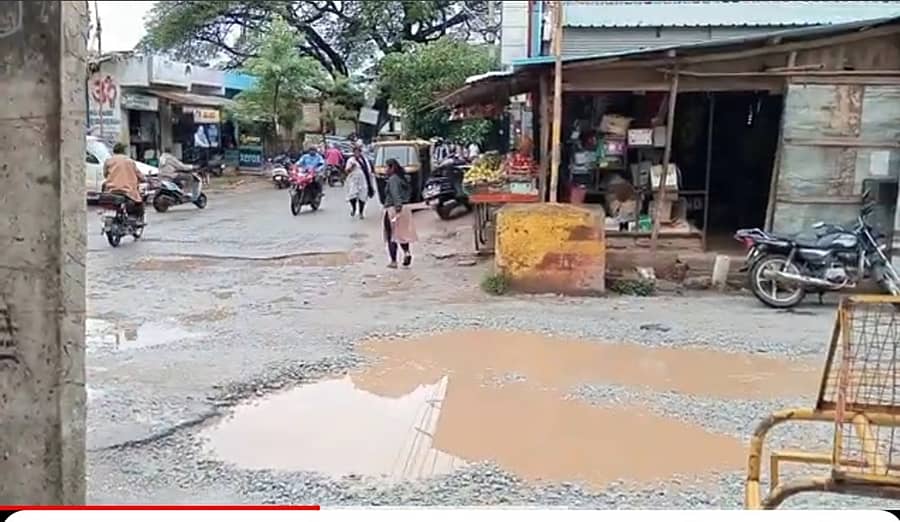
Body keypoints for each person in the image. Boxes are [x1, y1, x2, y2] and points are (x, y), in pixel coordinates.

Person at [382, 158, 417, 269]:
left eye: (387, 167)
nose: (385, 169)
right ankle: (407, 253)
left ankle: (393, 261)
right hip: (406, 208)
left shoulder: (393, 180)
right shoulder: (404, 178)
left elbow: (395, 193)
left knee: (391, 236)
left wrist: (397, 208)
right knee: (402, 234)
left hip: (394, 209)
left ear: (392, 168)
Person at [103, 142, 146, 222]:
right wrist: (143, 179)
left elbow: (105, 174)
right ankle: (136, 220)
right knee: (138, 202)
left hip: (111, 189)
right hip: (127, 190)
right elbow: (139, 174)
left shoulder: (108, 161)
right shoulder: (129, 161)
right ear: (124, 151)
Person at [345, 145, 375, 219]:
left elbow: (369, 170)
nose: (357, 153)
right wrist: (352, 167)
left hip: (363, 180)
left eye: (358, 152)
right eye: (355, 152)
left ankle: (361, 212)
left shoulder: (365, 160)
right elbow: (347, 171)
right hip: (353, 180)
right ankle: (354, 208)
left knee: (363, 197)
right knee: (352, 195)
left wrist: (370, 182)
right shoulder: (351, 160)